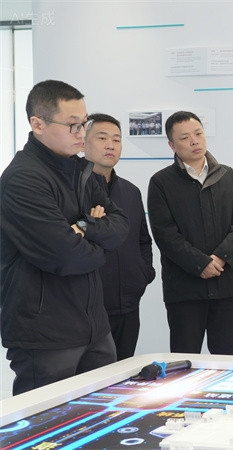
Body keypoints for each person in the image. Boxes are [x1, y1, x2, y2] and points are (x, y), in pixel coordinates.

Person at [0, 80, 129, 395]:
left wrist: (82, 227)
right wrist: (98, 243)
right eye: (73, 125)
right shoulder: (23, 179)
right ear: (38, 124)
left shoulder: (80, 171)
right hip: (45, 334)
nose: (81, 133)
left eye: (84, 124)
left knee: (102, 416)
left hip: (94, 328)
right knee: (46, 422)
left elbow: (120, 227)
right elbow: (66, 255)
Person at [148, 111, 233, 355]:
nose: (194, 141)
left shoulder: (228, 176)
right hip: (184, 288)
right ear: (172, 145)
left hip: (225, 283)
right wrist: (200, 263)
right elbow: (165, 234)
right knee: (185, 358)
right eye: (185, 138)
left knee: (227, 358)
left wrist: (220, 258)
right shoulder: (161, 182)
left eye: (198, 134)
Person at [84, 113, 156, 360]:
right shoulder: (71, 189)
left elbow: (143, 240)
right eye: (102, 138)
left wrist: (144, 273)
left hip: (128, 303)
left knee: (124, 373)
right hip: (88, 307)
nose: (110, 145)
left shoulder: (130, 191)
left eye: (116, 139)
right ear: (83, 142)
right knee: (91, 377)